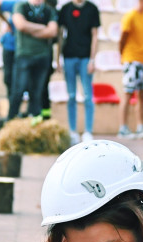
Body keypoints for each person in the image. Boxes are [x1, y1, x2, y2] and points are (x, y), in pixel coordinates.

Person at [56, 0, 100, 144]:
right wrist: (58, 58)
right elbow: (60, 35)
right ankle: (72, 131)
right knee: (71, 96)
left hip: (85, 58)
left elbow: (95, 35)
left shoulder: (92, 9)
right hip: (69, 57)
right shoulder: (65, 9)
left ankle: (88, 131)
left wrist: (92, 59)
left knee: (88, 96)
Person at [7, 0, 57, 122]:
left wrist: (30, 30)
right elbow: (21, 25)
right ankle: (10, 121)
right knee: (18, 91)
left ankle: (34, 122)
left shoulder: (48, 10)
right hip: (24, 55)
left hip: (42, 56)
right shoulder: (21, 6)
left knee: (37, 93)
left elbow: (52, 31)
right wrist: (42, 28)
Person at [116, 0, 143, 139]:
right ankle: (123, 128)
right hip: (130, 59)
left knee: (142, 95)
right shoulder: (130, 16)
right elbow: (122, 39)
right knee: (128, 93)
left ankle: (140, 126)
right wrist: (123, 56)